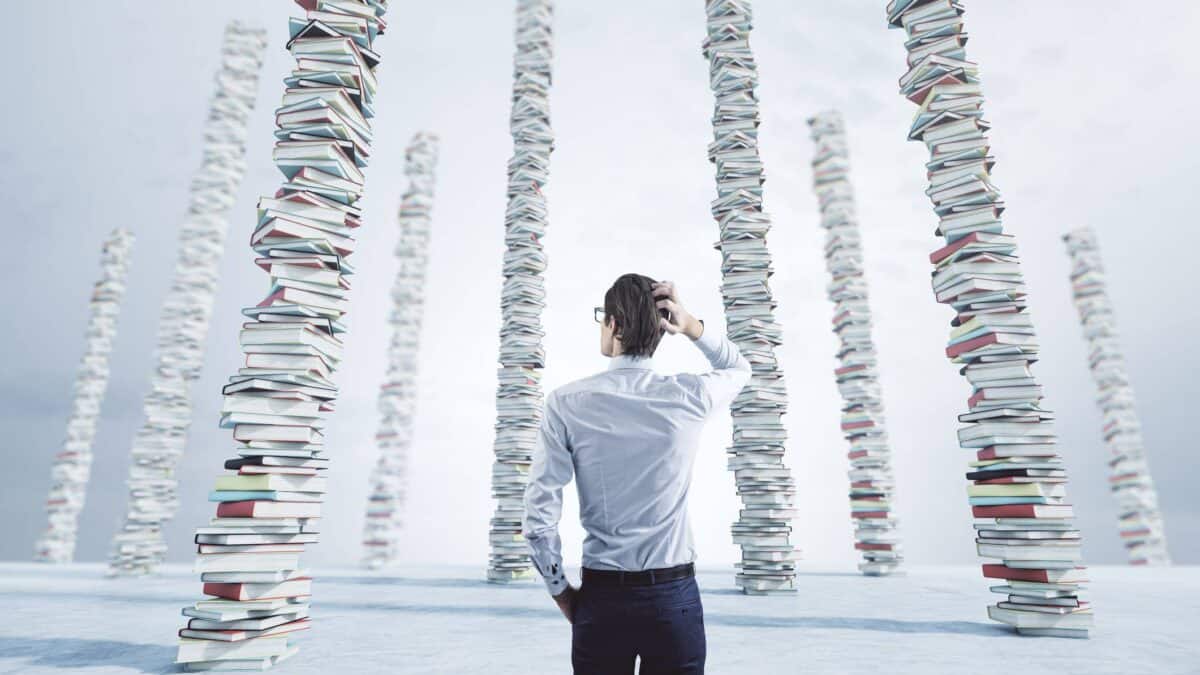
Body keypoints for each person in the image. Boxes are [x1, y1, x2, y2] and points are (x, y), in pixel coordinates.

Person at [523, 273, 752, 675]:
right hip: (674, 598)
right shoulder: (689, 395)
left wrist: (562, 593)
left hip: (602, 600)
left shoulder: (565, 404)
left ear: (612, 324)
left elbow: (539, 522)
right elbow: (739, 367)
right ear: (661, 328)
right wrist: (693, 327)